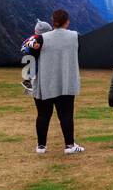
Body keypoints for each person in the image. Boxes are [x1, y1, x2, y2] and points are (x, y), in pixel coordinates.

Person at [34, 9, 84, 154]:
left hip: (45, 82)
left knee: (43, 115)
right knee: (66, 115)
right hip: (66, 82)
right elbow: (77, 52)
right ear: (67, 21)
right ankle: (69, 145)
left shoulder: (41, 39)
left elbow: (32, 55)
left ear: (52, 21)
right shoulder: (75, 36)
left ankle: (41, 146)